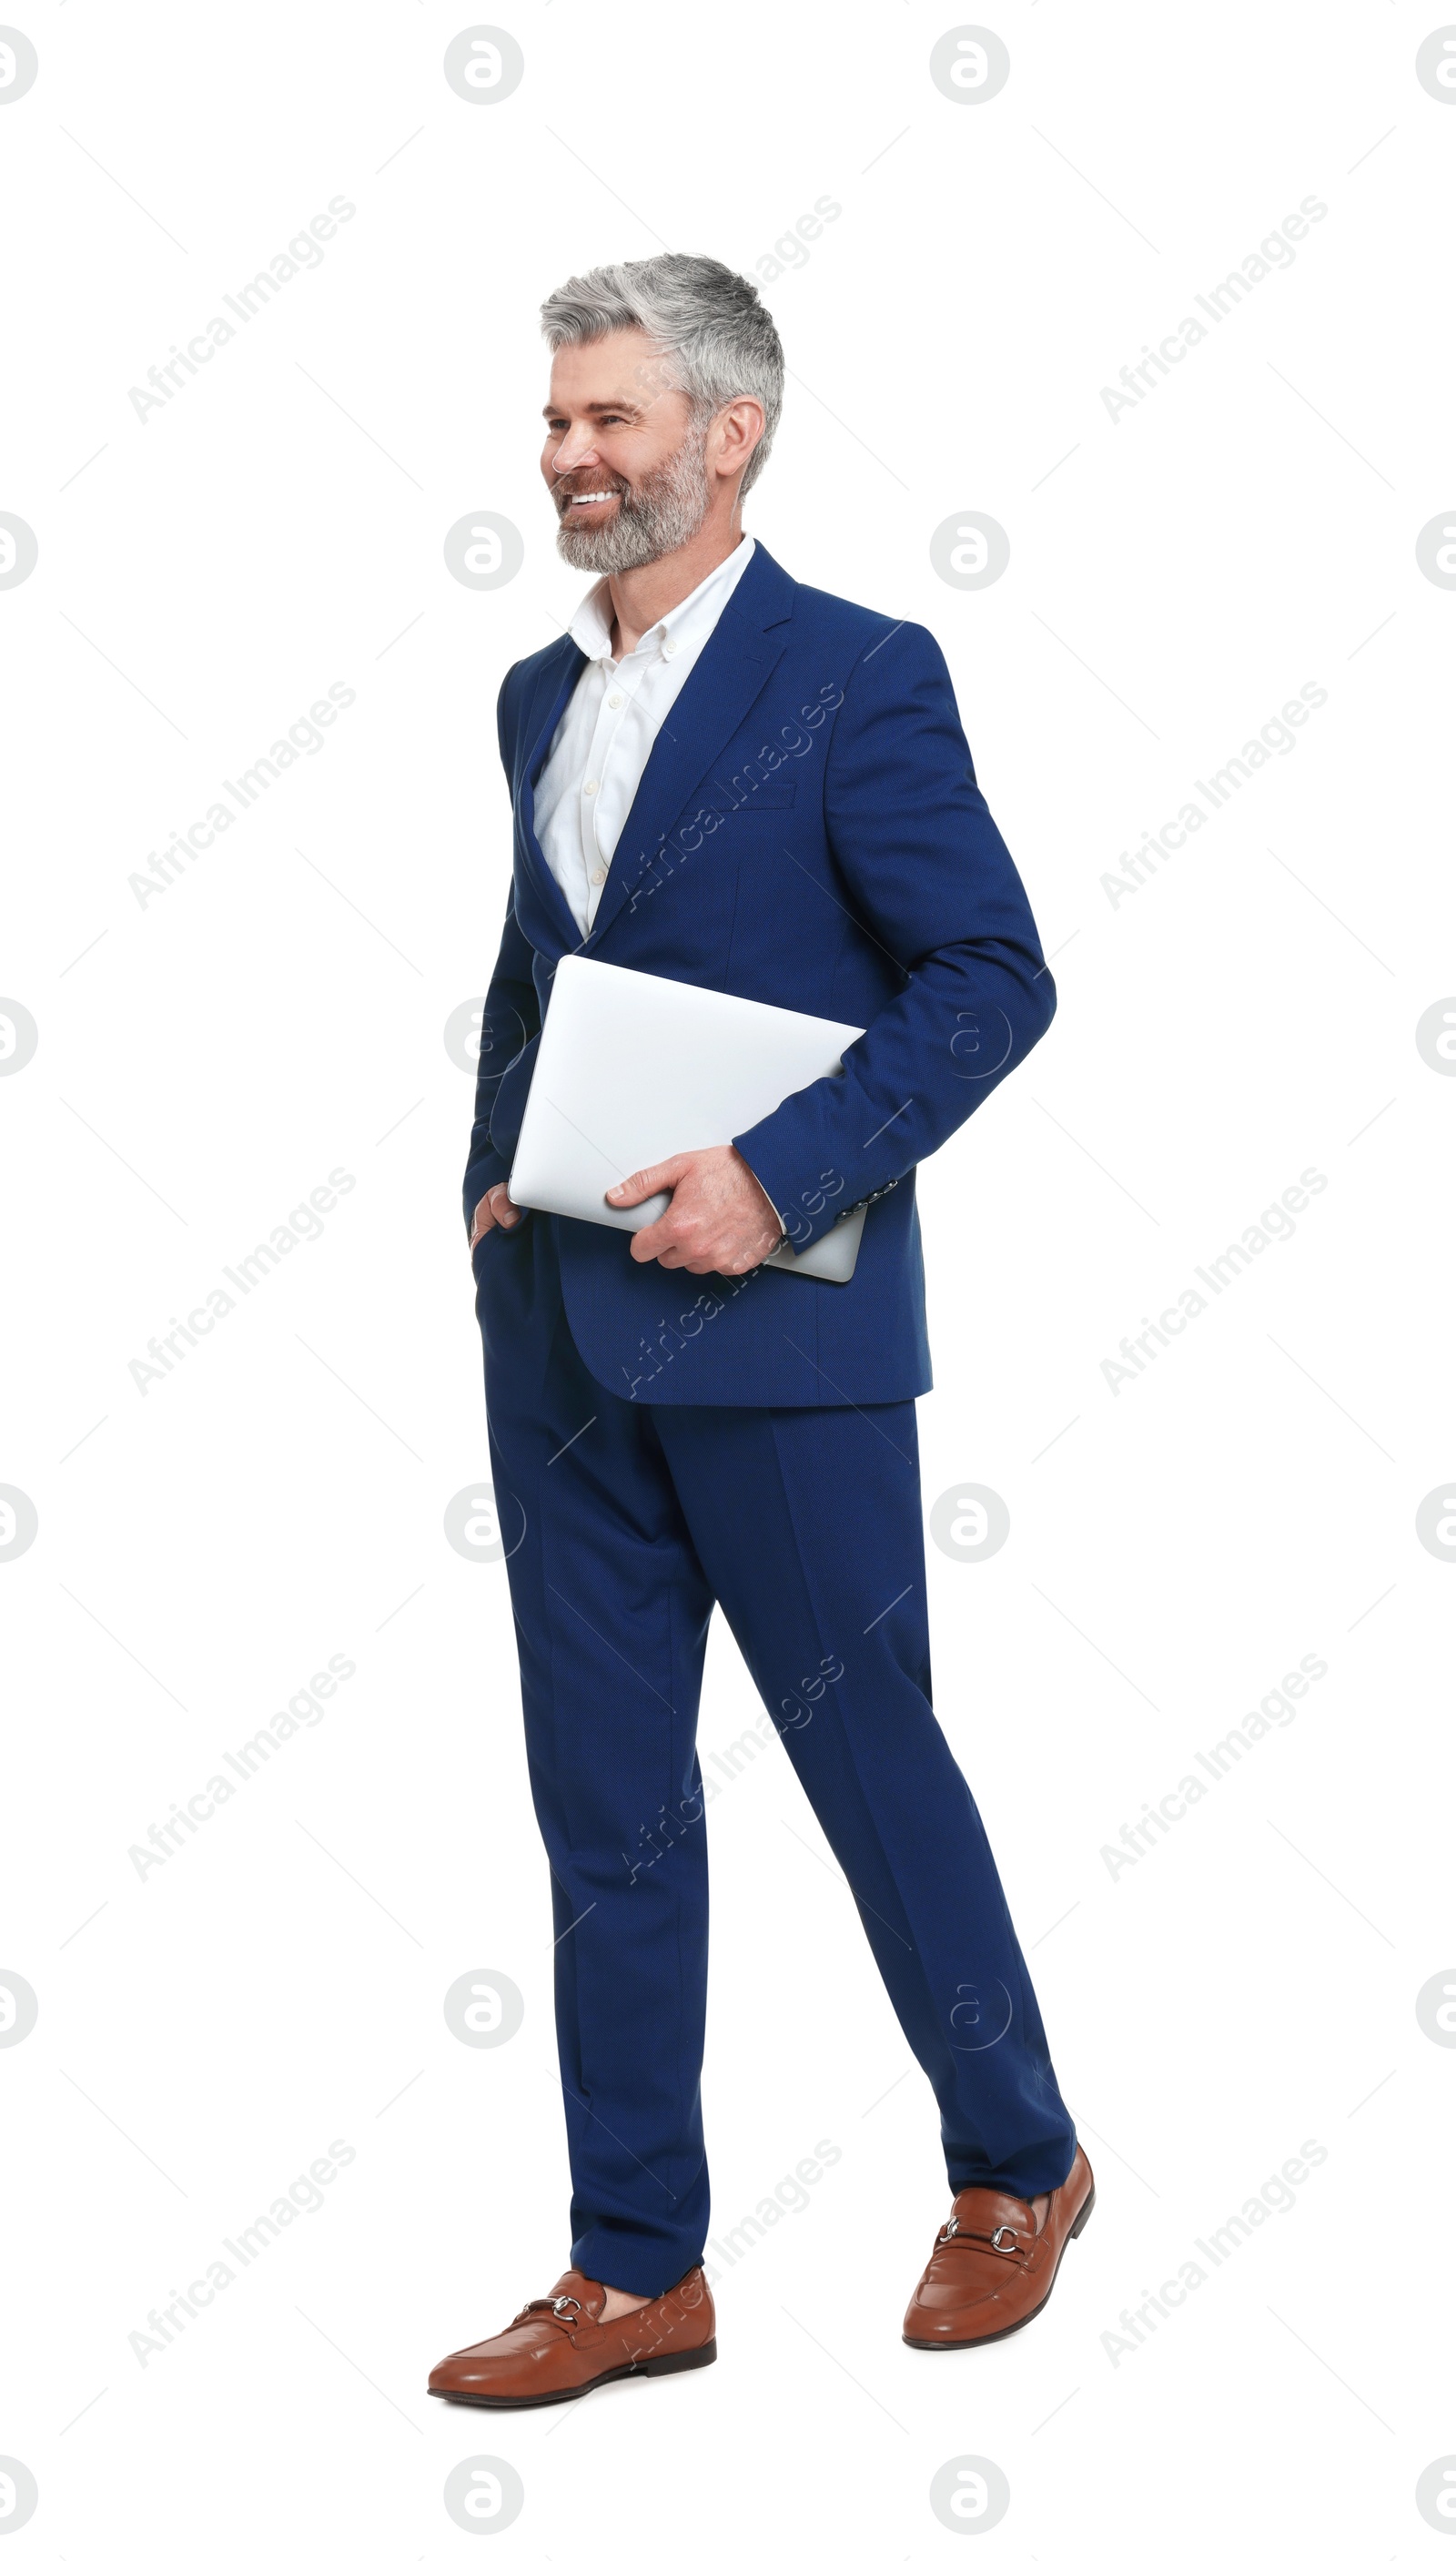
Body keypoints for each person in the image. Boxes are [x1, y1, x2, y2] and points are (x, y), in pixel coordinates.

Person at [428, 254, 1092, 2413]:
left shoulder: (854, 675)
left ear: (732, 434)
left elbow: (985, 977)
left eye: (609, 417)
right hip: (558, 1336)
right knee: (600, 1808)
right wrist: (485, 1164)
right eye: (555, 418)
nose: (568, 455)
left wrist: (779, 1172)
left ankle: (1017, 2161)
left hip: (779, 1338)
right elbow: (545, 964)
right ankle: (636, 2268)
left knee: (864, 1765)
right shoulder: (540, 695)